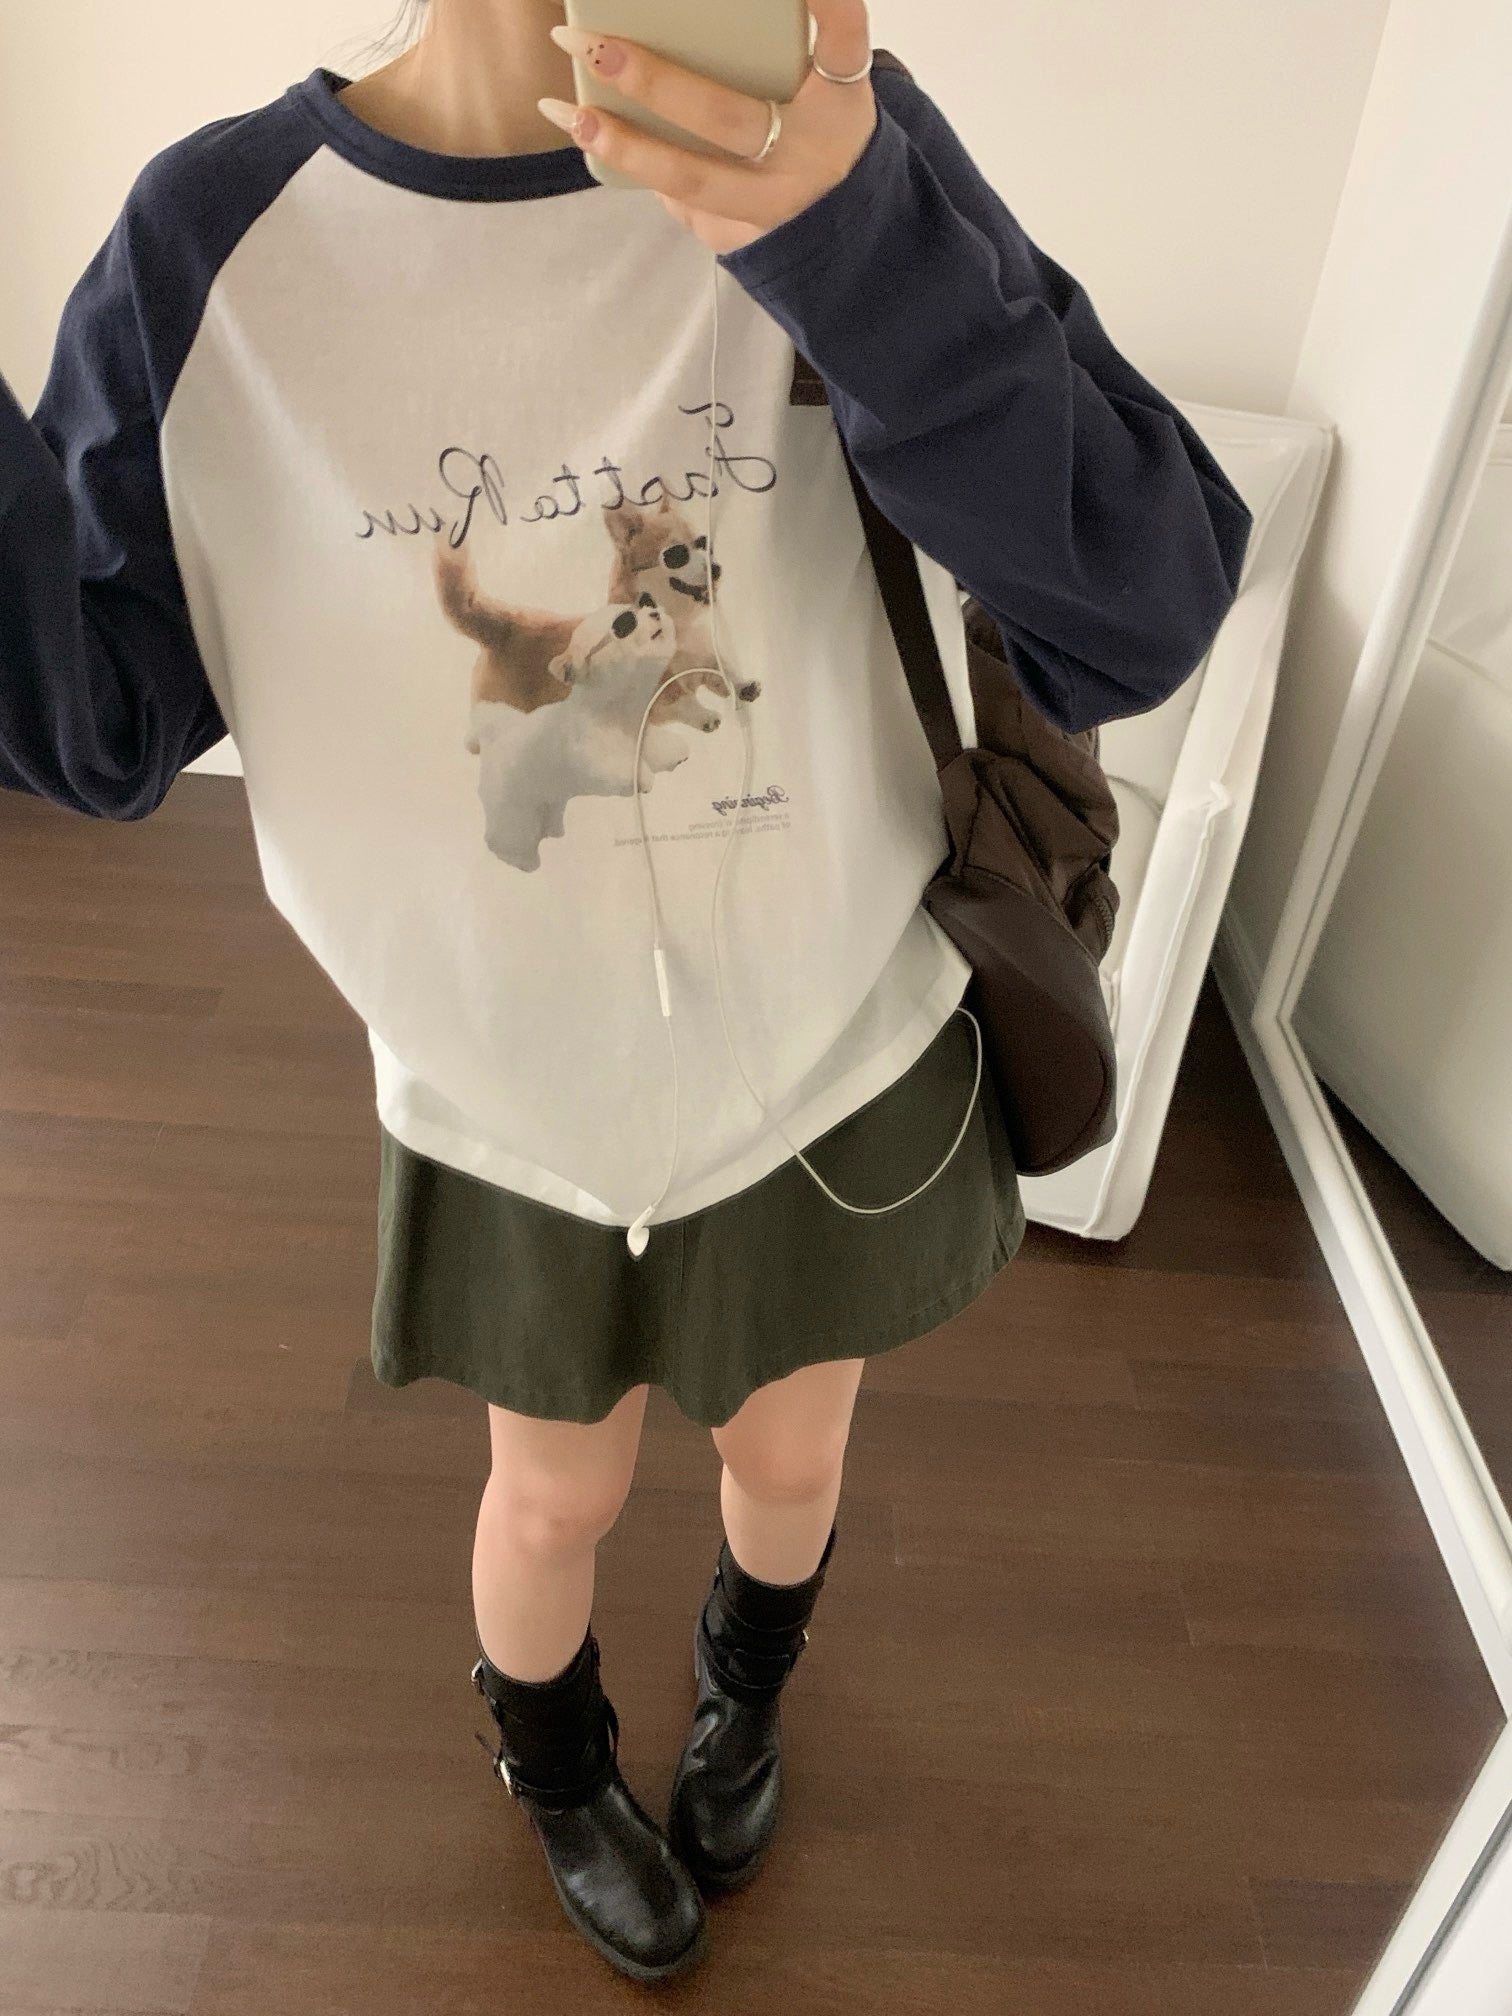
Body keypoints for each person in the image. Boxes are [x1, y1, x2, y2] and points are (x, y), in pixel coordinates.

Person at [0, 0, 1255, 1986]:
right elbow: (86, 726)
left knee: (792, 1459)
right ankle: (556, 1761)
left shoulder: (827, 139)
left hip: (834, 1040)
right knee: (549, 1489)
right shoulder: (210, 246)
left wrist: (855, 232)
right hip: (508, 1089)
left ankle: (745, 1692)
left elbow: (1145, 597)